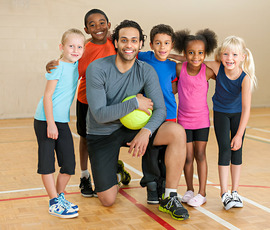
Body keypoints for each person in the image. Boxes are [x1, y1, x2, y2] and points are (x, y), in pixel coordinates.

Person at [85, 20, 189, 221]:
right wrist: (133, 103)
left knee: (177, 132)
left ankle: (169, 197)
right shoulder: (97, 69)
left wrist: (146, 131)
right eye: (124, 40)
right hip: (102, 132)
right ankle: (114, 170)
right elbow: (99, 114)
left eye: (134, 40)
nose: (129, 45)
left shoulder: (145, 70)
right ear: (115, 43)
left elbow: (161, 109)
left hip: (132, 129)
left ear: (141, 44)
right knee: (107, 199)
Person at [46, 9, 131, 198]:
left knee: (112, 137)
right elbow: (65, 60)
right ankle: (85, 176)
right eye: (92, 25)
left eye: (102, 23)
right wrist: (52, 63)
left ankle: (113, 168)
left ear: (108, 25)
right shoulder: (83, 48)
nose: (98, 27)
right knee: (85, 138)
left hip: (111, 102)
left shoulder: (116, 43)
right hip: (86, 100)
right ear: (86, 29)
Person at [34, 28, 85, 218]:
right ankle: (54, 201)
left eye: (79, 46)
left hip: (61, 121)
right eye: (71, 46)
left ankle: (59, 197)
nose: (75, 49)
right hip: (45, 119)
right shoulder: (56, 67)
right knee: (47, 163)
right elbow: (47, 97)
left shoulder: (78, 64)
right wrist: (50, 123)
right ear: (61, 47)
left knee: (69, 164)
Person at [205, 36, 257, 210]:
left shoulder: (245, 78)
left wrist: (240, 134)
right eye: (226, 54)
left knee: (237, 150)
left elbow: (246, 108)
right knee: (225, 150)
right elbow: (194, 59)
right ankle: (224, 192)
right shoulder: (217, 67)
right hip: (221, 114)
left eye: (234, 54)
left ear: (242, 57)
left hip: (238, 116)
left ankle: (235, 191)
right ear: (221, 55)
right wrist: (172, 55)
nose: (230, 58)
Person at [171, 29, 217, 207]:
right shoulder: (179, 68)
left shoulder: (208, 71)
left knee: (200, 155)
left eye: (200, 53)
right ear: (185, 53)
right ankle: (189, 189)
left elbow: (224, 76)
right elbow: (173, 89)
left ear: (205, 54)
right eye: (191, 53)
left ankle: (202, 192)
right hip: (183, 120)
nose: (195, 57)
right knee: (188, 157)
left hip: (202, 121)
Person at [137, 24, 178, 204]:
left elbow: (173, 87)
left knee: (166, 154)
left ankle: (164, 185)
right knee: (151, 152)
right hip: (150, 114)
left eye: (167, 43)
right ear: (151, 44)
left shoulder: (172, 66)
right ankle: (152, 186)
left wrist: (174, 55)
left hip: (169, 114)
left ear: (172, 45)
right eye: (158, 43)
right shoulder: (143, 57)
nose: (162, 47)